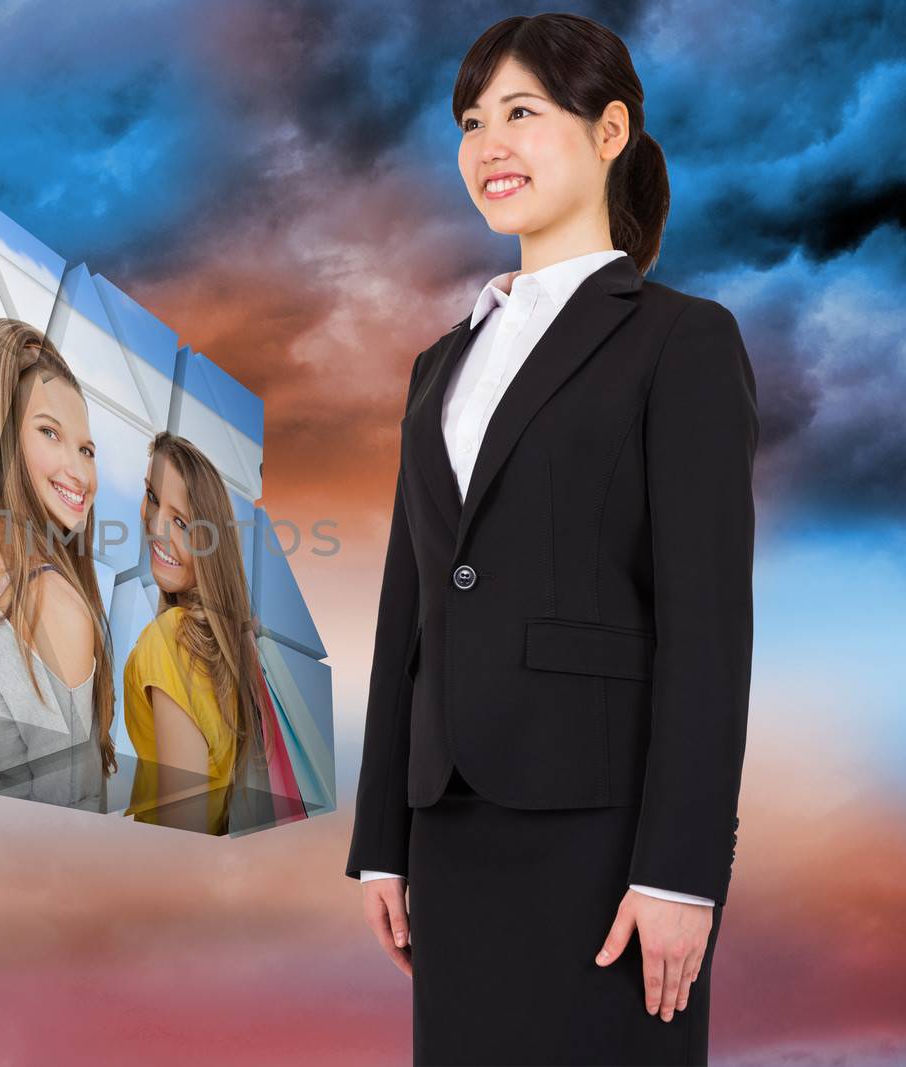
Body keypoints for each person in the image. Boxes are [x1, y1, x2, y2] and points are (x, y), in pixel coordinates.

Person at [345, 14, 759, 1065]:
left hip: (604, 833)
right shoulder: (437, 365)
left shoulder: (680, 340)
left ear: (610, 128)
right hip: (450, 825)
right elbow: (412, 605)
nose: (489, 143)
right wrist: (380, 842)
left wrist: (680, 871)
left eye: (522, 112)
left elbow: (706, 625)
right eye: (471, 122)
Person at [0, 317, 116, 810]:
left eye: (87, 449)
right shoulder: (53, 606)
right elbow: (71, 828)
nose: (79, 471)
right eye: (49, 433)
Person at [123, 432, 279, 835]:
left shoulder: (171, 639)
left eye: (182, 522)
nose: (157, 527)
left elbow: (182, 830)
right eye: (153, 498)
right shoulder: (222, 651)